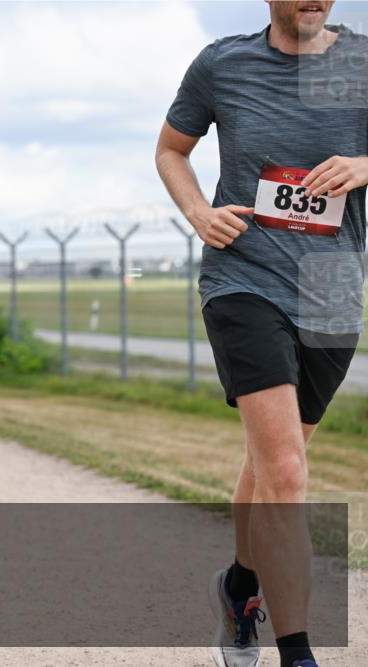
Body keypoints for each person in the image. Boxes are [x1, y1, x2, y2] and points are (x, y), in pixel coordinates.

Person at [156, 4, 366, 667]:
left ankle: (239, 586)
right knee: (285, 470)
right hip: (243, 279)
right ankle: (297, 651)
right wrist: (198, 213)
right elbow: (171, 149)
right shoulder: (224, 63)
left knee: (275, 462)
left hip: (333, 288)